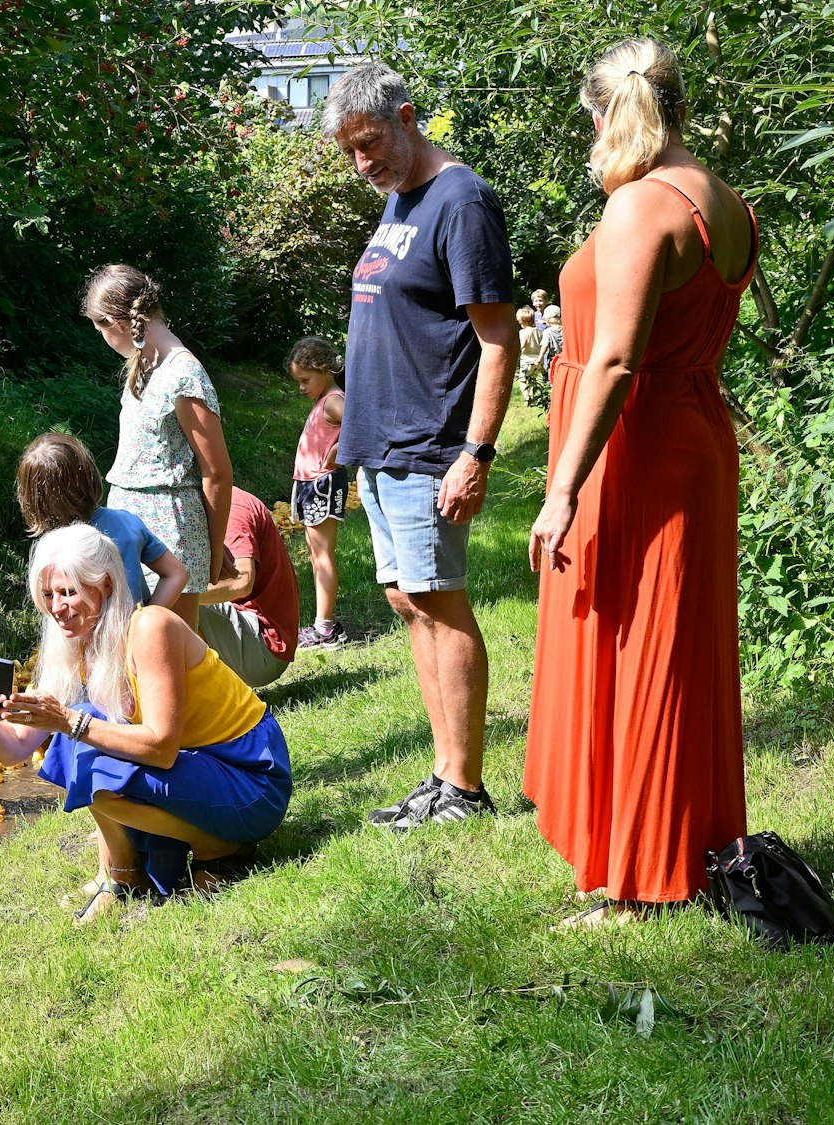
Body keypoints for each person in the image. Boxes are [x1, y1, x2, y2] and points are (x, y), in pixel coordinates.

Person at [525, 38, 756, 929]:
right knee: (672, 651)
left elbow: (615, 362)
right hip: (689, 433)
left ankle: (635, 880)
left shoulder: (640, 208)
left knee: (643, 651)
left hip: (640, 448)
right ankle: (681, 845)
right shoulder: (724, 202)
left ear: (602, 113)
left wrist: (561, 489)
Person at [325, 61, 518, 830]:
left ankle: (466, 789)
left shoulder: (461, 200)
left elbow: (497, 338)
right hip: (381, 445)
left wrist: (476, 452)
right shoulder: (399, 198)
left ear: (407, 118)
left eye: (370, 143)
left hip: (432, 442)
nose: (362, 163)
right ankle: (442, 775)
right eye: (350, 152)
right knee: (410, 604)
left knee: (441, 605)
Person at [0, 524, 293, 922]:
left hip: (250, 778)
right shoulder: (70, 644)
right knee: (80, 746)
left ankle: (223, 851)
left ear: (104, 584)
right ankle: (124, 877)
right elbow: (15, 748)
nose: (58, 608)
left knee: (81, 742)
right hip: (197, 770)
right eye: (49, 595)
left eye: (69, 593)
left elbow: (161, 748)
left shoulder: (151, 626)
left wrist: (68, 720)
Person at [83, 263, 234, 633]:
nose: (102, 338)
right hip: (127, 527)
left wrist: (213, 550)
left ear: (117, 324)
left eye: (98, 328)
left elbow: (216, 472)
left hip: (171, 531)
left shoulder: (184, 373)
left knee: (171, 655)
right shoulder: (146, 365)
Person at [14, 431, 187, 610]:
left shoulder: (52, 548)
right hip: (133, 636)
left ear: (32, 498)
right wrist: (145, 620)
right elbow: (176, 574)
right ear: (89, 475)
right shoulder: (126, 523)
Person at [198, 487, 301, 689]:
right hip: (249, 636)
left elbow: (241, 582)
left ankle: (194, 697)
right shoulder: (211, 503)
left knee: (167, 599)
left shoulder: (229, 508)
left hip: (263, 647)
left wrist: (174, 596)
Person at [287, 336, 349, 650]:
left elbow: (361, 424)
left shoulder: (334, 400)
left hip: (323, 485)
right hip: (311, 485)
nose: (301, 387)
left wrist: (340, 448)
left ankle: (325, 628)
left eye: (305, 380)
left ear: (325, 370)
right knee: (316, 557)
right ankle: (323, 623)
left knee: (323, 558)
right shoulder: (324, 401)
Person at [516, 306, 546, 406]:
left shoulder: (523, 332)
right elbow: (542, 344)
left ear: (522, 322)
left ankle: (526, 397)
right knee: (532, 380)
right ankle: (532, 398)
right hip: (537, 360)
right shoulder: (539, 331)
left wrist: (518, 351)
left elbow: (523, 344)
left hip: (526, 360)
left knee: (522, 380)